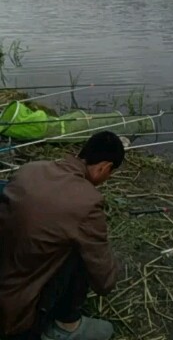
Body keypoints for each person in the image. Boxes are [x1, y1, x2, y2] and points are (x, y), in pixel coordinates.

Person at [0, 131, 125, 340]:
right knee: (82, 249)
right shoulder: (88, 203)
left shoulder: (30, 169)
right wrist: (114, 268)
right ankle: (65, 326)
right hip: (15, 314)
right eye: (109, 173)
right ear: (105, 167)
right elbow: (104, 283)